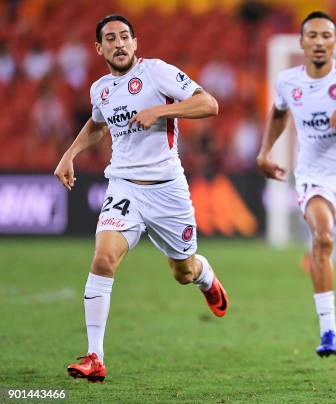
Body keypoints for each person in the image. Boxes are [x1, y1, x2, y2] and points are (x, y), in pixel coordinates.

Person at [53, 14, 229, 383]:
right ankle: (95, 357)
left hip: (167, 190)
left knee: (182, 272)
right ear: (99, 48)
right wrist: (70, 154)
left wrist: (160, 110)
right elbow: (97, 124)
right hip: (124, 187)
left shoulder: (158, 73)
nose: (119, 44)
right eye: (110, 39)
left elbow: (208, 104)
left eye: (124, 37)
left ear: (135, 42)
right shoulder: (100, 88)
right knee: (103, 259)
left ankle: (205, 276)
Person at [256, 11, 336, 357]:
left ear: (334, 42)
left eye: (325, 36)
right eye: (312, 36)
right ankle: (329, 331)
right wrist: (265, 151)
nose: (318, 42)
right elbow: (280, 112)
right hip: (312, 177)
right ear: (301, 43)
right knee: (322, 237)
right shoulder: (288, 81)